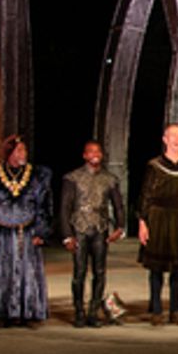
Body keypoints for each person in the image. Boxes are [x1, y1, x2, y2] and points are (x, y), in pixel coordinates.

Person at [0, 135, 53, 327]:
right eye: (19, 150)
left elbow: (44, 206)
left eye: (25, 150)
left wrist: (40, 232)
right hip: (2, 234)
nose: (23, 154)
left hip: (27, 233)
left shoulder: (37, 176)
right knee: (1, 273)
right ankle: (0, 312)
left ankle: (26, 311)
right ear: (9, 153)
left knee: (28, 272)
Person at [138, 123, 178, 326]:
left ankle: (176, 310)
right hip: (158, 218)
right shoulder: (154, 165)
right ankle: (156, 310)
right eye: (172, 136)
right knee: (156, 268)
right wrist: (143, 222)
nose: (177, 139)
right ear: (165, 139)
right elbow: (145, 195)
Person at [59, 140, 126, 327]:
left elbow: (118, 205)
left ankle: (93, 312)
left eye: (97, 151)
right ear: (84, 155)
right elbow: (64, 208)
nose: (94, 154)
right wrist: (67, 235)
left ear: (102, 155)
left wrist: (120, 227)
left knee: (100, 272)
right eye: (90, 151)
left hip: (100, 229)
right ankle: (79, 312)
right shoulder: (72, 178)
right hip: (79, 228)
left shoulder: (110, 179)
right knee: (79, 272)